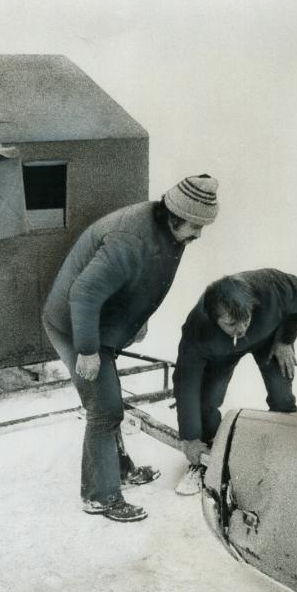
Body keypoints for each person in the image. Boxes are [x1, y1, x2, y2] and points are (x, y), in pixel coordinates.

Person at [42, 174, 219, 522]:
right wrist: (89, 350)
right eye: (195, 225)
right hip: (76, 325)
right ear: (175, 216)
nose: (198, 234)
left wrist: (138, 320)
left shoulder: (169, 232)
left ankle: (120, 470)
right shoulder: (129, 238)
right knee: (104, 409)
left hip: (103, 324)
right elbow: (84, 294)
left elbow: (146, 278)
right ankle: (99, 496)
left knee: (109, 404)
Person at [173, 268, 297, 495]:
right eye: (230, 324)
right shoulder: (197, 328)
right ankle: (205, 460)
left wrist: (286, 339)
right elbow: (186, 384)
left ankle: (287, 455)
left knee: (282, 398)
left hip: (270, 339)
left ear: (253, 305)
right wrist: (189, 437)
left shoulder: (272, 286)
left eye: (245, 319)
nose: (240, 330)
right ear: (212, 318)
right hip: (222, 352)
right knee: (208, 401)